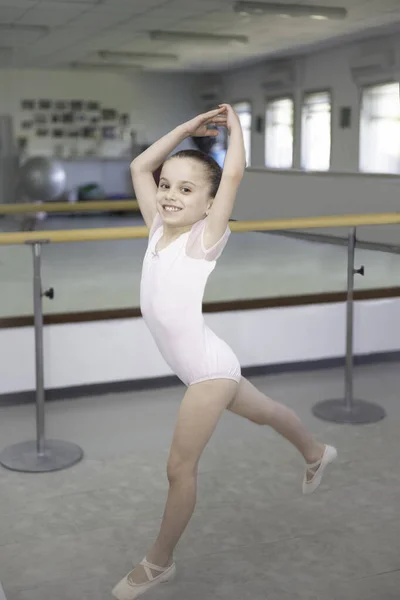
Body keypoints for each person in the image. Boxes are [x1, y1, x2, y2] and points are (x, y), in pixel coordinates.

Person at [112, 104, 337, 600]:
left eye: (186, 190)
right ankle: (317, 452)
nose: (169, 195)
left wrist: (234, 126)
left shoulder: (203, 240)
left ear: (211, 205)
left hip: (207, 374)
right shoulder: (156, 229)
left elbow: (233, 171)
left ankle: (158, 563)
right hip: (214, 362)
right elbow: (137, 168)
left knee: (178, 469)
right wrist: (186, 129)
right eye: (167, 185)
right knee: (267, 412)